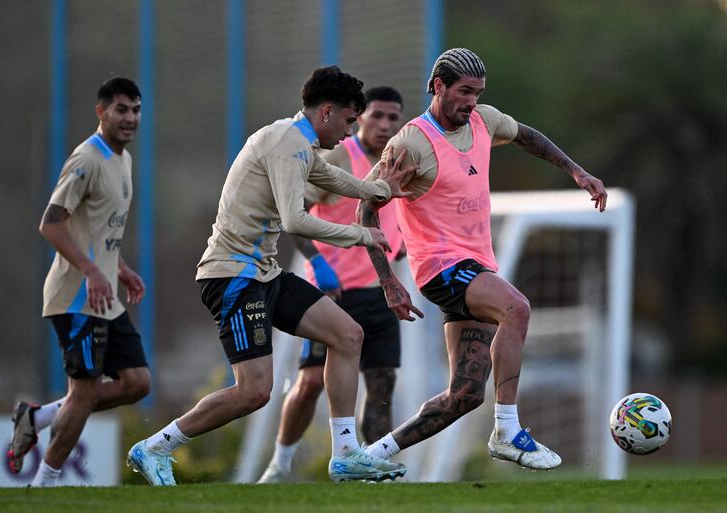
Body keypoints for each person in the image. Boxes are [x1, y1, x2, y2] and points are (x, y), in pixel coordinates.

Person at [127, 67, 416, 486]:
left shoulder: (300, 143)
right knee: (254, 392)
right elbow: (295, 221)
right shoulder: (286, 142)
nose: (350, 130)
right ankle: (156, 446)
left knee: (348, 335)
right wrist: (361, 234)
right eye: (350, 120)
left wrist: (379, 190)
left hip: (263, 272)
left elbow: (330, 177)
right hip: (233, 276)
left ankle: (345, 455)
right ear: (327, 111)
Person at [358, 48, 608, 471]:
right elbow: (365, 208)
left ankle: (369, 457)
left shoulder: (483, 120)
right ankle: (507, 430)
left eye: (478, 93)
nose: (472, 101)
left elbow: (527, 136)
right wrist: (388, 281)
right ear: (438, 86)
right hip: (441, 267)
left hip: (474, 266)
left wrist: (576, 171)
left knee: (464, 395)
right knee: (517, 308)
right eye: (464, 91)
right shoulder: (412, 142)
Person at [257, 86, 406, 483]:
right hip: (334, 294)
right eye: (377, 115)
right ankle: (279, 465)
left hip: (381, 293)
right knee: (309, 383)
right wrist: (318, 263)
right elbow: (295, 216)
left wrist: (403, 243)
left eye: (393, 118)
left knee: (382, 386)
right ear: (360, 117)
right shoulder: (340, 157)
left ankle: (372, 471)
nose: (385, 125)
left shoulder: (398, 164)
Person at [9, 77, 151, 487]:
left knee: (137, 382)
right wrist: (91, 271)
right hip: (75, 297)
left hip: (104, 296)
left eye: (136, 110)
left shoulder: (123, 159)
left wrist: (119, 267)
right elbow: (52, 224)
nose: (130, 118)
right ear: (101, 112)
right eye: (121, 109)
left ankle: (37, 418)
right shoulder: (86, 159)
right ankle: (44, 484)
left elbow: (94, 228)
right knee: (84, 393)